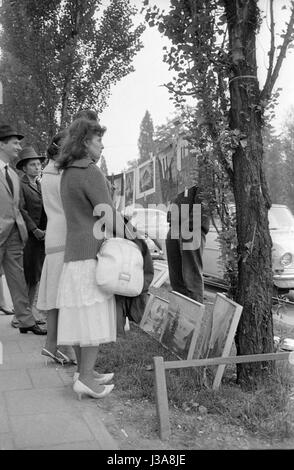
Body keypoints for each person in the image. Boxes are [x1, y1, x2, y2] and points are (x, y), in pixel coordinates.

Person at [56, 118, 127, 400]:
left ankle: (84, 372)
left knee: (81, 316)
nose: (102, 145)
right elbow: (107, 213)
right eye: (98, 140)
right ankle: (85, 378)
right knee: (93, 318)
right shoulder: (89, 171)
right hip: (91, 253)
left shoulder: (69, 172)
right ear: (85, 142)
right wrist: (135, 237)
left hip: (75, 253)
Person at [0, 124, 46, 335]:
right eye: (15, 143)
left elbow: (16, 205)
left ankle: (25, 321)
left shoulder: (11, 174)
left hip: (15, 236)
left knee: (18, 279)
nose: (19, 147)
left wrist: (22, 230)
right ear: (2, 144)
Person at [37, 132, 76, 365]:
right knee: (65, 294)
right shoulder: (62, 174)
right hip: (65, 233)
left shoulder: (47, 172)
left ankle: (52, 344)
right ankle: (62, 345)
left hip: (53, 232)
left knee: (54, 293)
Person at [166, 185, 210, 304]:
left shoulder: (200, 172)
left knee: (192, 280)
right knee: (176, 281)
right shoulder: (178, 178)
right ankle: (179, 317)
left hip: (191, 228)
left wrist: (190, 226)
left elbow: (204, 198)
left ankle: (192, 319)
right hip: (175, 228)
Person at [17, 146, 47, 309]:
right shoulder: (20, 185)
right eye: (32, 165)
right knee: (29, 276)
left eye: (38, 164)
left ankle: (27, 312)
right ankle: (21, 315)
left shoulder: (40, 185)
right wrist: (34, 229)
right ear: (24, 168)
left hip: (42, 237)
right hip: (28, 236)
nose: (37, 167)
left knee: (36, 275)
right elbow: (21, 209)